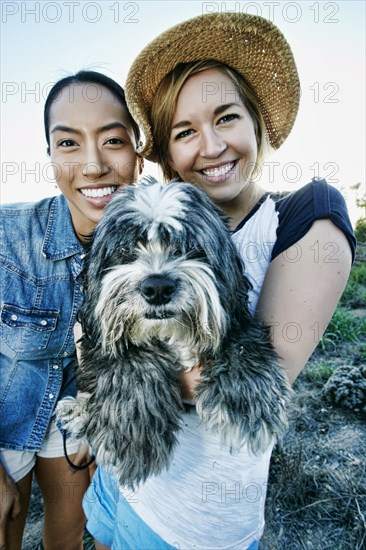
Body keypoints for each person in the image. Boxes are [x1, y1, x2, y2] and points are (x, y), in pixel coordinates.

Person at [83, 12, 356, 550]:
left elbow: (247, 393)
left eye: (226, 117)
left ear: (257, 121)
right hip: (118, 481)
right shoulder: (151, 217)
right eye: (185, 132)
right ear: (167, 151)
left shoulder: (307, 216)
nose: (210, 147)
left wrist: (102, 369)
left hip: (191, 524)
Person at [0, 70, 143, 550]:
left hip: (76, 425)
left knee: (69, 534)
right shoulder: (8, 237)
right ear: (50, 157)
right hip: (7, 421)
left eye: (113, 140)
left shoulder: (157, 245)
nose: (93, 164)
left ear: (138, 153)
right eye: (68, 144)